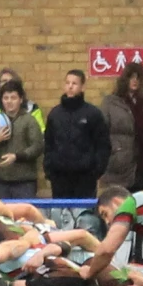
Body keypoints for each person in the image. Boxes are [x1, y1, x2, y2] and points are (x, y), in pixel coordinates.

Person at [43, 69, 109, 198]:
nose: (70, 86)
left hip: (85, 178)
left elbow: (103, 145)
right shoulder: (55, 114)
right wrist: (50, 170)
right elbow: (48, 144)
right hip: (59, 177)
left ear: (82, 87)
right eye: (67, 83)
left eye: (74, 83)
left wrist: (96, 171)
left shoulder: (92, 114)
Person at [0, 80, 44, 198]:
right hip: (0, 181)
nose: (9, 102)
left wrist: (16, 157)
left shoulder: (29, 120)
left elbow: (37, 147)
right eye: (6, 98)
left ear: (21, 100)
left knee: (23, 215)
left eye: (13, 98)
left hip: (24, 182)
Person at [102, 64, 143, 192]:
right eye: (131, 77)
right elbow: (101, 134)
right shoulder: (111, 103)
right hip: (119, 165)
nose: (135, 81)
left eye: (138, 78)